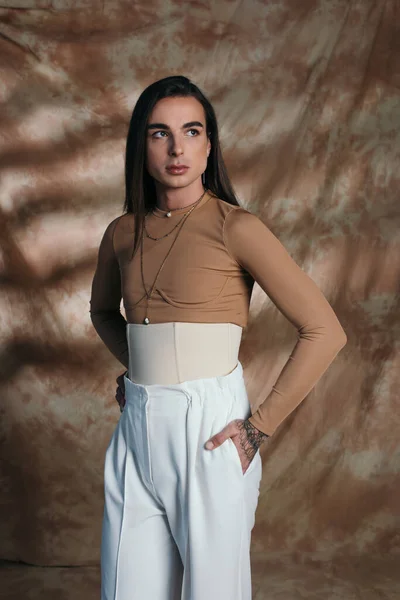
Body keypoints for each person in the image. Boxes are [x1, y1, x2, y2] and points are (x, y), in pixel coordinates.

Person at [89, 75, 347, 600]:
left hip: (208, 428)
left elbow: (325, 330)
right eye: (160, 133)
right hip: (137, 427)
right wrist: (137, 364)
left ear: (209, 146)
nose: (177, 147)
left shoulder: (237, 227)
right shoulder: (121, 231)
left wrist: (259, 427)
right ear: (141, 145)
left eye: (191, 131)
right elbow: (103, 312)